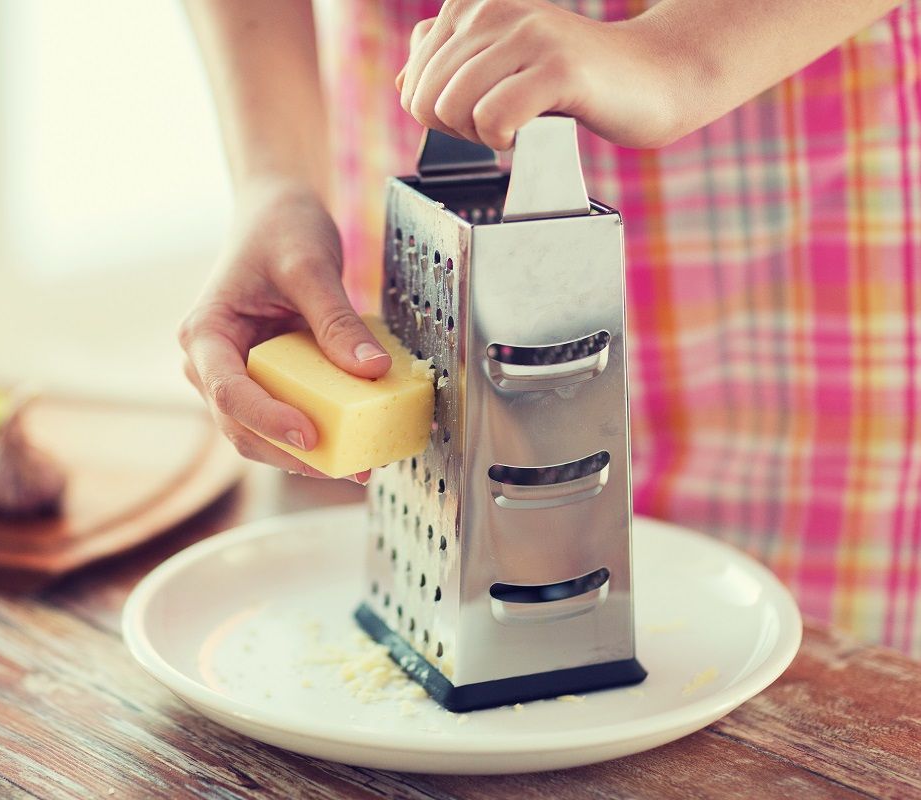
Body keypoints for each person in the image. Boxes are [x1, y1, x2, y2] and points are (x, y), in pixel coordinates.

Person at [179, 0, 921, 657]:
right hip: (434, 130)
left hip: (790, 188)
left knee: (820, 697)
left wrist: (675, 53)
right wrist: (274, 181)